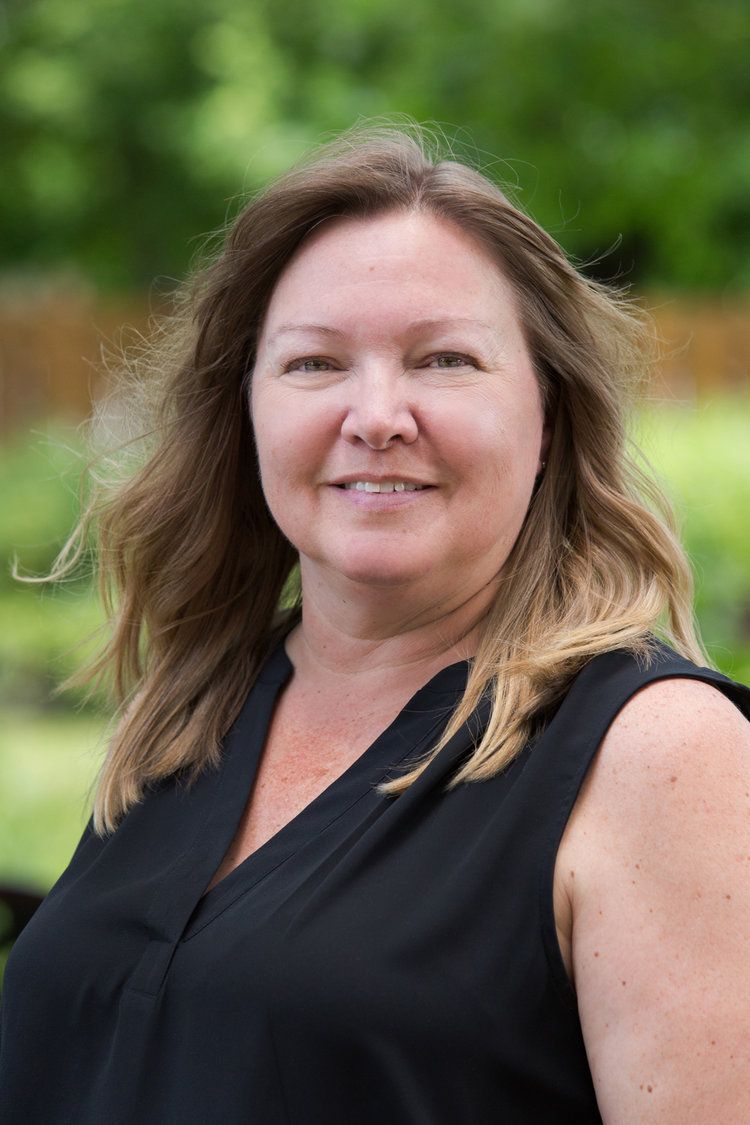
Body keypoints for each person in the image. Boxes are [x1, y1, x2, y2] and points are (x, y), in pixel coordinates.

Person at [1, 124, 749, 1124]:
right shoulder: (193, 710)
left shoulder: (663, 755)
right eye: (314, 365)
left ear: (548, 421)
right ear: (249, 413)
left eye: (444, 360)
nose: (376, 414)